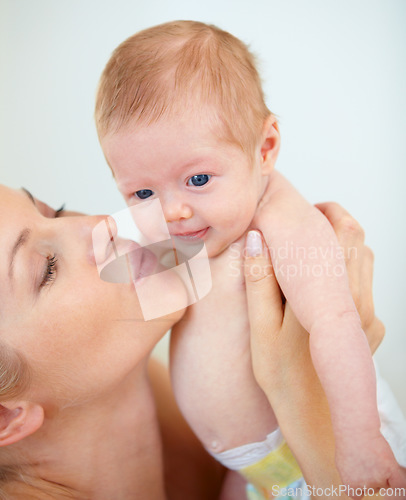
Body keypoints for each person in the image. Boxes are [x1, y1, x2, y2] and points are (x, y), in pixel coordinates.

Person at [95, 20, 405, 493]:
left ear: (264, 149)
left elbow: (338, 321)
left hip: (324, 445)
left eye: (198, 179)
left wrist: (359, 440)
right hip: (252, 469)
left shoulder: (281, 218)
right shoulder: (194, 228)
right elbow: (150, 302)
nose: (173, 211)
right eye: (142, 191)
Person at [0, 184, 403, 499]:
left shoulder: (183, 373)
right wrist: (308, 401)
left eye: (53, 210)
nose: (100, 223)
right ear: (7, 417)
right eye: (46, 269)